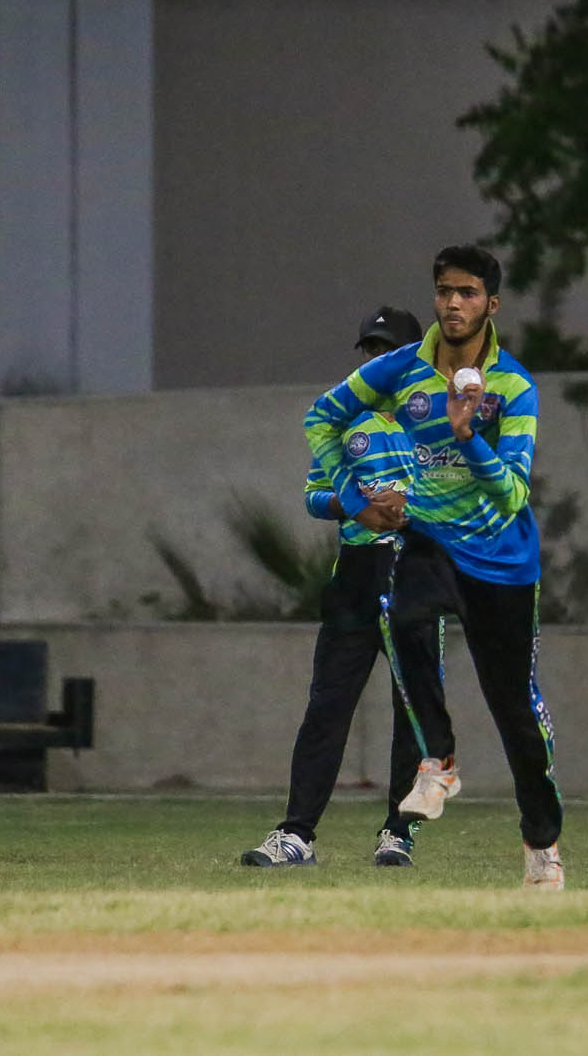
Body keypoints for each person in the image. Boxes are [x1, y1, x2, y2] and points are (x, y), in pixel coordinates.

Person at [301, 245, 565, 889]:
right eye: (445, 291)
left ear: (491, 304)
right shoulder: (401, 368)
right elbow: (321, 418)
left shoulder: (514, 386)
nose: (453, 303)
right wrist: (356, 504)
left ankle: (542, 844)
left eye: (468, 293)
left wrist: (467, 435)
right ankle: (438, 763)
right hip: (430, 540)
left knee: (515, 713)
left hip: (501, 556)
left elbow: (513, 494)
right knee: (403, 617)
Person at [242, 306, 461, 868]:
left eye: (387, 351)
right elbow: (314, 496)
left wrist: (410, 504)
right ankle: (296, 835)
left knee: (412, 712)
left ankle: (398, 833)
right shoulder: (344, 420)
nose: (374, 360)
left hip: (416, 573)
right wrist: (354, 503)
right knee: (327, 706)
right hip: (356, 579)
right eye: (369, 350)